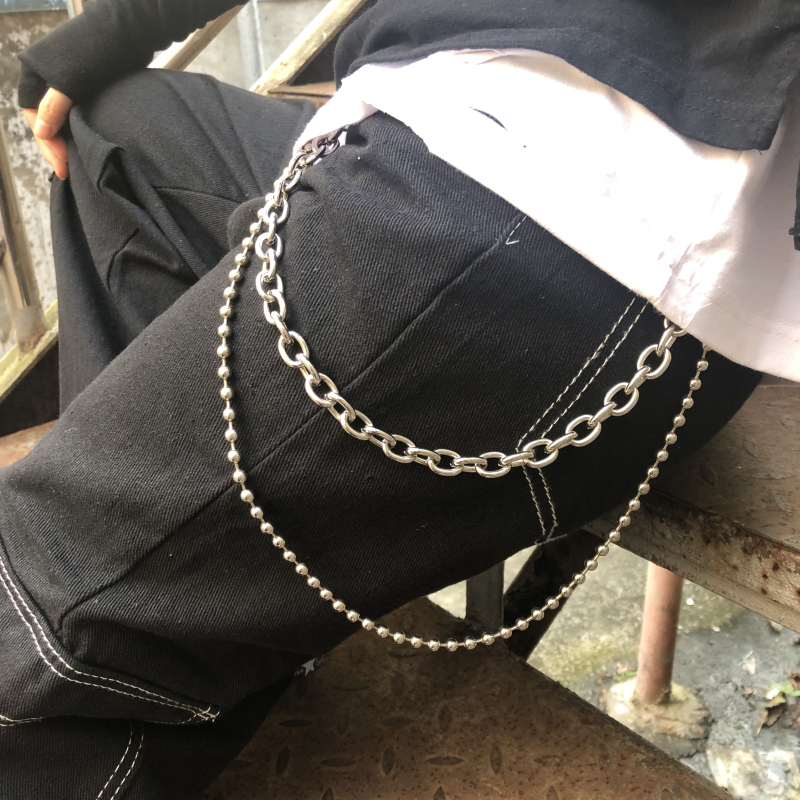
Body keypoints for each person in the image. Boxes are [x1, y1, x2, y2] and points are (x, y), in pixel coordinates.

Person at [3, 1, 798, 797]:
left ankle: (97, 628)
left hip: (556, 186)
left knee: (27, 627)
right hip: (467, 129)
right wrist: (119, 31)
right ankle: (175, 588)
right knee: (122, 132)